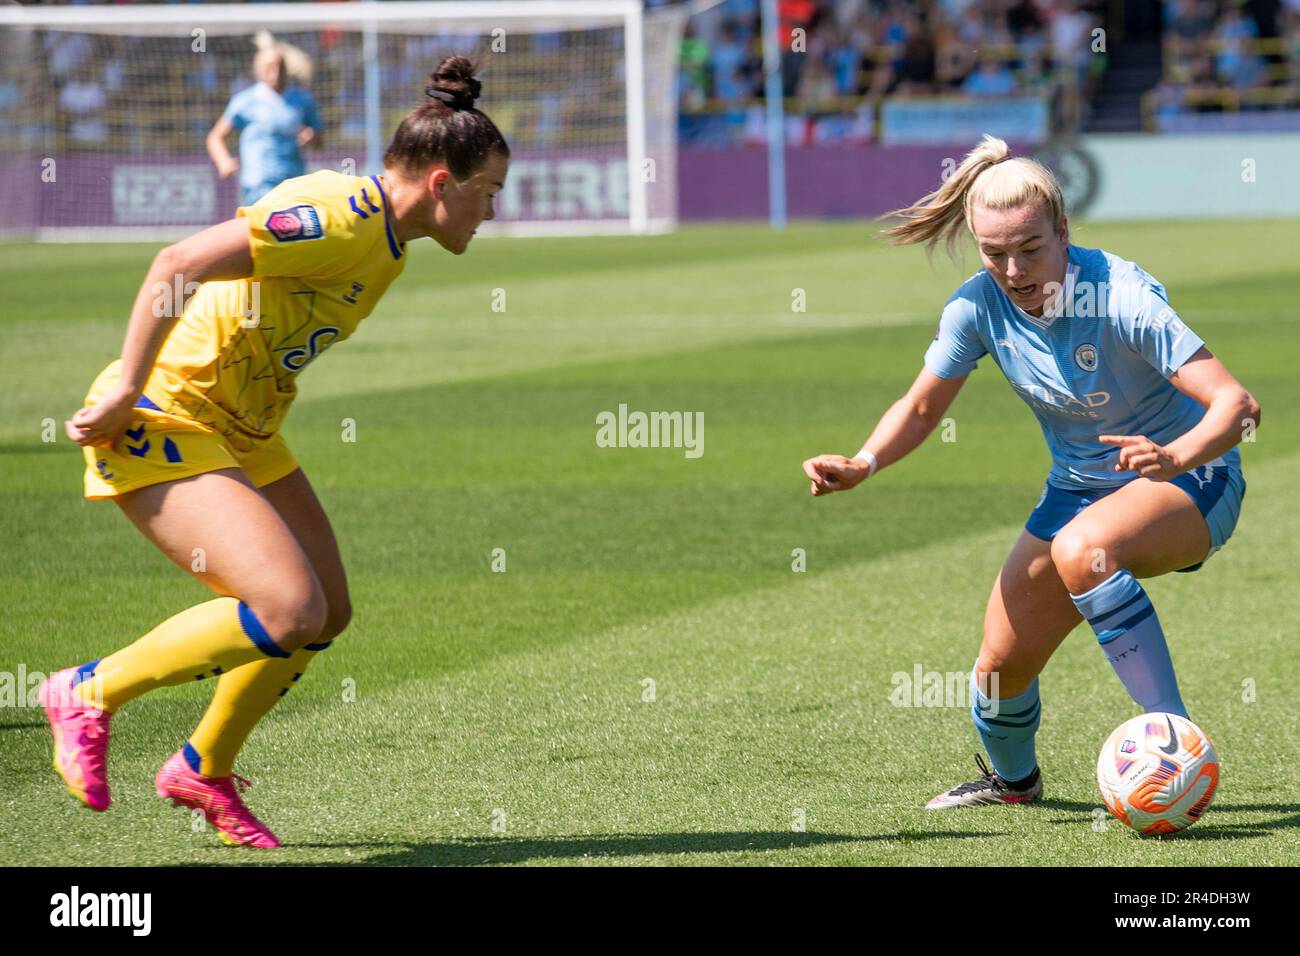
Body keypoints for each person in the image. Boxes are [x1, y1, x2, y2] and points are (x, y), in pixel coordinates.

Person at [40, 56, 508, 848]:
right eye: (488, 194)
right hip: (166, 414)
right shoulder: (342, 218)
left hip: (245, 430)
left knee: (327, 608)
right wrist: (126, 386)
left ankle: (202, 766)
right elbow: (176, 265)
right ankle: (87, 691)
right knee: (288, 607)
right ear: (440, 182)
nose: (492, 213)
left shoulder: (389, 241)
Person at [801, 135, 1259, 809]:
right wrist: (864, 462)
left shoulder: (1122, 296)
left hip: (1193, 481)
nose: (1014, 269)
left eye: (1030, 248)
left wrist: (1175, 456)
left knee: (1086, 548)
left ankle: (1177, 741)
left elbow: (1237, 407)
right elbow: (924, 407)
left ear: (1063, 231)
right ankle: (1014, 783)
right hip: (1079, 491)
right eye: (994, 252)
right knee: (996, 671)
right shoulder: (975, 307)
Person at [206, 37, 321, 207]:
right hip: (259, 185)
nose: (275, 73)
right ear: (257, 71)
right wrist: (224, 162)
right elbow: (215, 137)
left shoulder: (302, 100)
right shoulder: (246, 101)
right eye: (269, 67)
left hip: (294, 182)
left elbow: (319, 140)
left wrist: (311, 138)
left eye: (280, 67)